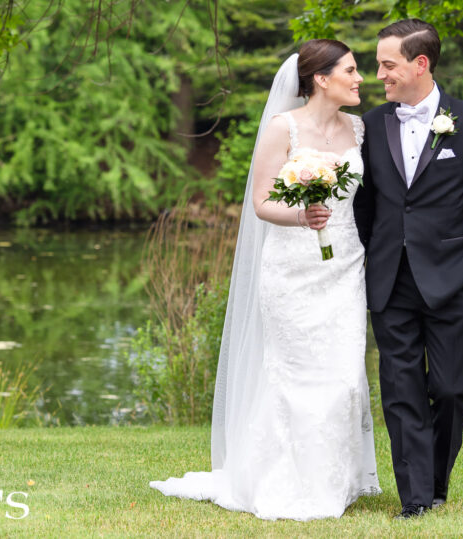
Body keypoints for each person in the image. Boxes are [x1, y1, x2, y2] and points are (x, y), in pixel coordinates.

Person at [150, 39, 381, 520]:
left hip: (344, 265)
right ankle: (284, 480)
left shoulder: (358, 128)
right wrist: (303, 216)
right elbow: (260, 203)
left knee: (343, 378)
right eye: (352, 70)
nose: (362, 79)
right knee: (294, 375)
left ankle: (334, 482)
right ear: (321, 78)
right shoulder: (283, 128)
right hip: (291, 269)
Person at [354, 19, 463, 519]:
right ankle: (415, 498)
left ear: (420, 64)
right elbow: (366, 204)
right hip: (391, 280)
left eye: (387, 64)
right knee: (400, 391)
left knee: (449, 389)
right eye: (378, 65)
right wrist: (375, 255)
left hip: (454, 281)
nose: (379, 75)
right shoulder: (372, 126)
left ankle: (436, 481)